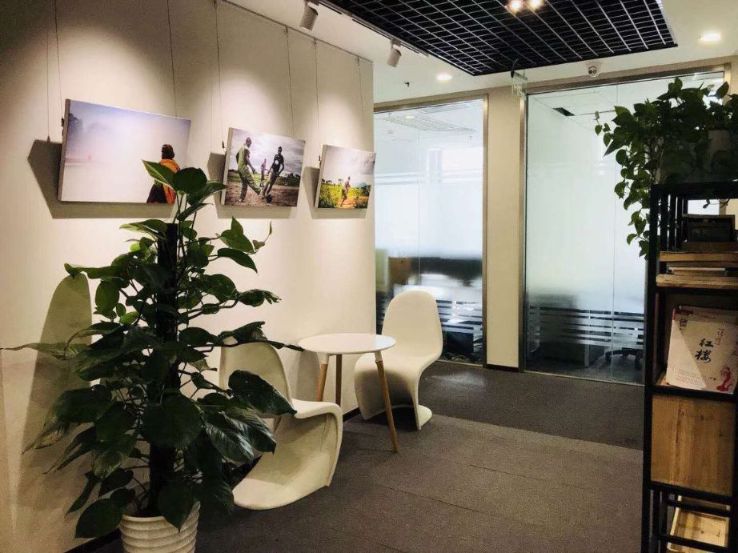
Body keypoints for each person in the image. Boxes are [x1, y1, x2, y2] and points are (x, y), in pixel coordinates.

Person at [236, 137, 260, 202]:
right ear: (248, 142)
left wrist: (239, 164)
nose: (250, 145)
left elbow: (236, 156)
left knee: (244, 184)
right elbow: (246, 158)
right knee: (251, 181)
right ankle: (261, 193)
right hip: (244, 167)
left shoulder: (241, 148)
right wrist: (252, 168)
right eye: (250, 144)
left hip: (239, 168)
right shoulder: (246, 148)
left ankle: (241, 199)